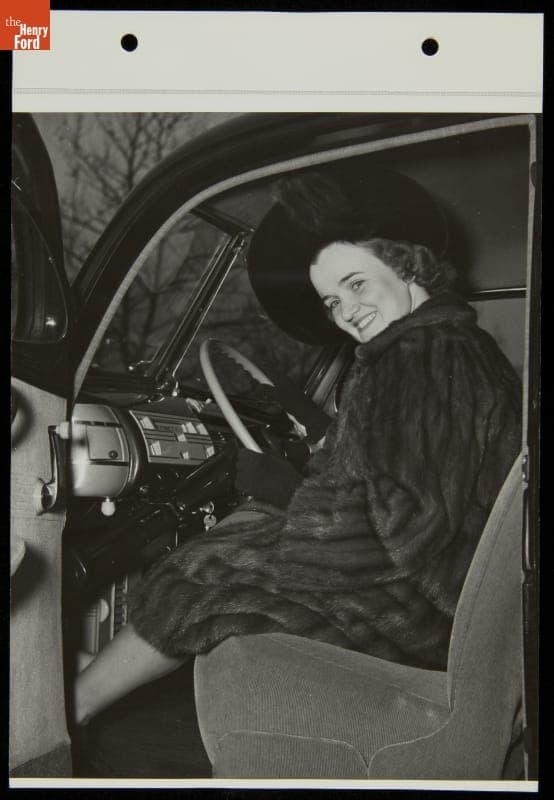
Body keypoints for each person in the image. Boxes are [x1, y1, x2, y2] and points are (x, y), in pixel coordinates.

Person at [74, 167, 522, 727]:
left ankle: (77, 704)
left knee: (203, 573)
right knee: (236, 538)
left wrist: (285, 489)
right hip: (444, 595)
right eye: (331, 301)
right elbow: (394, 480)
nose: (345, 310)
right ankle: (97, 679)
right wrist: (299, 478)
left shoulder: (424, 357)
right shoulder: (439, 346)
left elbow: (408, 529)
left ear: (406, 265)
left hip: (419, 607)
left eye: (356, 283)